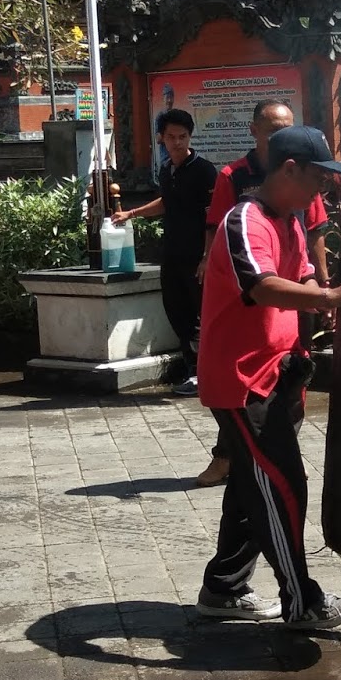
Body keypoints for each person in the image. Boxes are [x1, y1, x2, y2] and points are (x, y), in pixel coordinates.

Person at [195, 125, 341, 628]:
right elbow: (263, 286)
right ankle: (302, 601)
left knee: (254, 487)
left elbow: (300, 272)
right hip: (242, 380)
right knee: (283, 484)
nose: (323, 189)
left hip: (278, 372)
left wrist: (316, 290)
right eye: (318, 178)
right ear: (290, 169)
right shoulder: (245, 220)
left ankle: (223, 587)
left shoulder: (288, 220)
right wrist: (329, 297)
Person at [113, 111, 229, 484]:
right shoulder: (168, 170)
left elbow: (214, 217)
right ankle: (191, 368)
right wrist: (132, 213)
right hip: (173, 254)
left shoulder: (204, 171)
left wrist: (207, 257)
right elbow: (166, 202)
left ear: (190, 137)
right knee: (176, 311)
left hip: (198, 257)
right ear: (161, 138)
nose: (177, 142)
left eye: (183, 136)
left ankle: (200, 374)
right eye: (171, 137)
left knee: (199, 314)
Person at [205, 101, 331, 289]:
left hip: (297, 277)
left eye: (288, 130)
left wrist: (324, 282)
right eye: (274, 131)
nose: (282, 138)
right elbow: (215, 228)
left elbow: (314, 228)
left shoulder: (304, 180)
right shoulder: (233, 178)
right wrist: (208, 262)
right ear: (254, 130)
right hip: (252, 280)